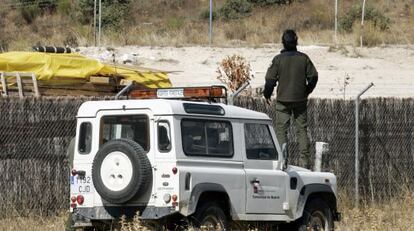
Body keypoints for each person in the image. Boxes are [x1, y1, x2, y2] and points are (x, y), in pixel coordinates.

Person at [263, 29, 318, 169]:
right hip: (300, 100)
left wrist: (267, 95)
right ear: (296, 42)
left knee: (282, 130)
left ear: (283, 43)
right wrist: (307, 91)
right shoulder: (304, 58)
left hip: (283, 101)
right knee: (302, 130)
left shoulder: (278, 59)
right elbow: (313, 77)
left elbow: (270, 81)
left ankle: (283, 160)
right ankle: (305, 161)